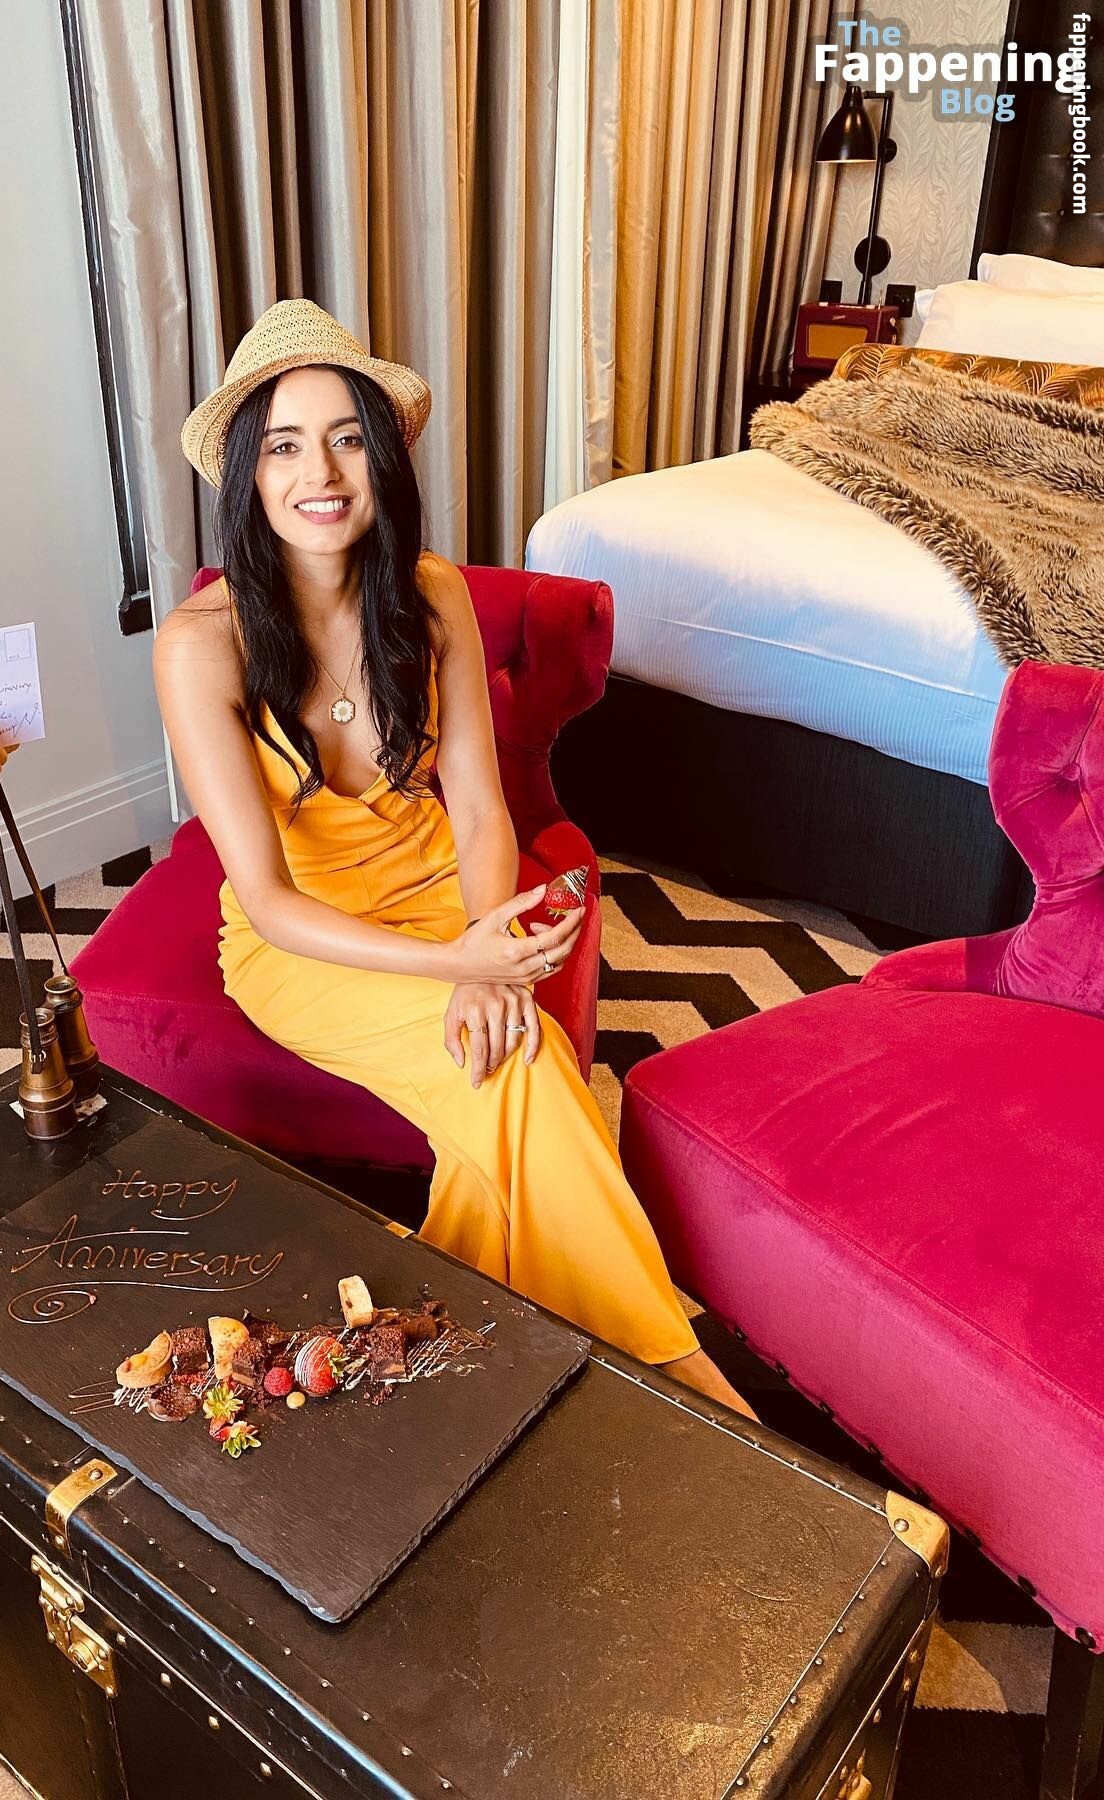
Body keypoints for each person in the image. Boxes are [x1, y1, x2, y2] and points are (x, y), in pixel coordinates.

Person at [157, 299, 754, 1418]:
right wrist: (463, 970)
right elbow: (268, 900)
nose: (319, 472)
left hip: (448, 893)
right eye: (283, 446)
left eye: (346, 438)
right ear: (247, 475)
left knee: (504, 1073)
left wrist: (486, 940)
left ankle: (456, 1347)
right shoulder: (202, 645)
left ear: (381, 458)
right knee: (524, 1065)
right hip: (312, 944)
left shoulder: (430, 594)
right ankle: (689, 1388)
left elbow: (480, 808)